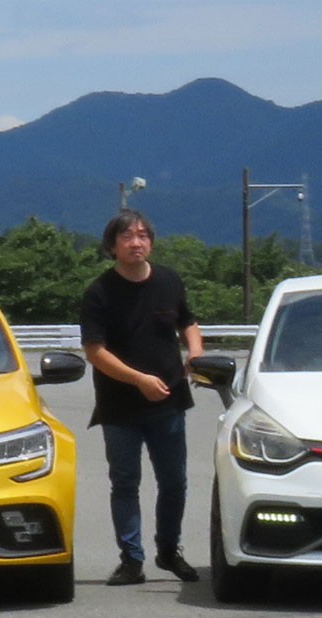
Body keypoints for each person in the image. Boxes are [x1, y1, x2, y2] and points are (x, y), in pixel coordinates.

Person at [81, 209, 204, 585]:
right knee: (125, 483)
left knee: (174, 482)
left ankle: (169, 551)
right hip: (119, 406)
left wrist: (195, 352)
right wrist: (138, 380)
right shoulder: (99, 292)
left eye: (143, 235)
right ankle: (131, 560)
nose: (136, 243)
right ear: (112, 246)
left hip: (169, 401)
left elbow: (187, 321)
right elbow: (95, 351)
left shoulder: (169, 279)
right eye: (127, 237)